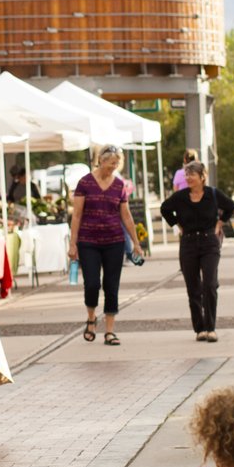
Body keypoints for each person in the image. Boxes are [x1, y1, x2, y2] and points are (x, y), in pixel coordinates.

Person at [68, 144, 144, 346]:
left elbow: (126, 216)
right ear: (101, 160)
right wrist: (72, 244)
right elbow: (76, 215)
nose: (113, 167)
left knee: (112, 286)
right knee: (92, 283)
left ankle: (110, 330)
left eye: (116, 164)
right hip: (88, 241)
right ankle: (91, 318)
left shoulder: (119, 185)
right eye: (111, 163)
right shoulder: (84, 183)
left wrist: (135, 243)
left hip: (114, 241)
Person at [159, 161, 234, 342]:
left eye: (192, 174)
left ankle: (211, 327)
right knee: (193, 287)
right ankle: (200, 328)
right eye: (186, 174)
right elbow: (164, 209)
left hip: (209, 242)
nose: (188, 178)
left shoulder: (213, 194)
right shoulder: (180, 197)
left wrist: (219, 223)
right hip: (188, 244)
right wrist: (177, 224)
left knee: (209, 284)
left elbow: (230, 206)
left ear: (202, 177)